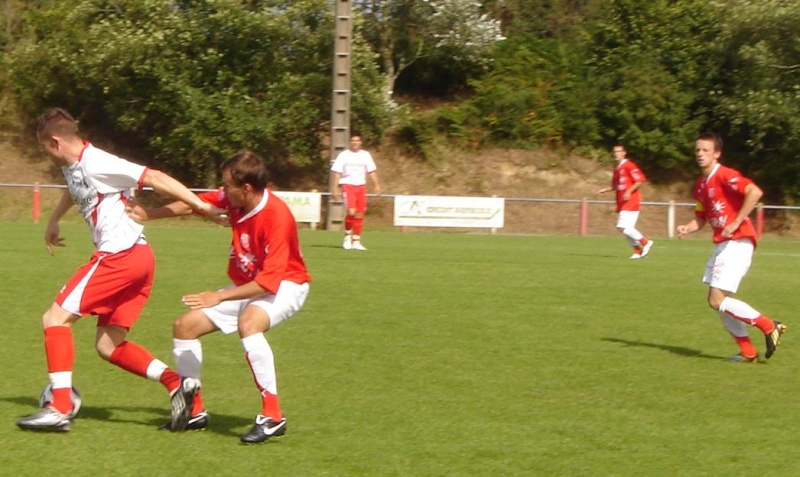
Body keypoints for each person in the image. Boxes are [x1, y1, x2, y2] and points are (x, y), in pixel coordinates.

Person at [17, 107, 225, 432]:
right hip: (139, 259)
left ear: (55, 141)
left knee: (54, 319)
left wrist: (201, 206)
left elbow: (154, 177)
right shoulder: (73, 165)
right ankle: (181, 390)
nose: (45, 154)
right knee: (108, 346)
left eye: (44, 147)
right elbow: (76, 190)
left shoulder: (98, 161)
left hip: (120, 256)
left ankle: (59, 407)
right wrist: (54, 220)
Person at [128, 149, 311, 444]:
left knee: (249, 323)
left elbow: (270, 280)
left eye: (227, 185)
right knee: (185, 327)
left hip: (287, 284)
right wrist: (151, 214)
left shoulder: (277, 217)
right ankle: (195, 412)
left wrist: (219, 297)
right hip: (249, 283)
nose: (222, 191)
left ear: (247, 189)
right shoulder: (236, 199)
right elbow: (196, 205)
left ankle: (273, 416)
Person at [677, 132, 786, 363]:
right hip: (723, 244)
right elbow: (701, 217)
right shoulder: (700, 185)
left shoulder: (725, 174)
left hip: (738, 242)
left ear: (717, 154)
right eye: (697, 150)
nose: (700, 154)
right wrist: (687, 227)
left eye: (705, 150)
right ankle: (747, 352)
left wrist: (736, 221)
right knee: (718, 303)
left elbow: (754, 192)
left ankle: (770, 326)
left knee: (716, 300)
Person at [597, 143, 654, 259]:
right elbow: (616, 185)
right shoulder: (617, 168)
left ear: (624, 153)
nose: (616, 154)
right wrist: (606, 190)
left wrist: (628, 192)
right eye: (614, 152)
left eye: (618, 152)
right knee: (625, 228)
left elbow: (640, 180)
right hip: (622, 203)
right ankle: (638, 251)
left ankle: (646, 242)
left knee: (623, 227)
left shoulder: (629, 165)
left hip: (631, 201)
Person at [331, 133, 382, 250]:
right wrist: (335, 188)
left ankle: (356, 240)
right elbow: (337, 172)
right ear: (350, 142)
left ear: (361, 142)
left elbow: (371, 170)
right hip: (348, 185)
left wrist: (377, 185)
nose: (355, 143)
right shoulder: (343, 155)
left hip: (361, 186)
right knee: (351, 211)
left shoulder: (366, 155)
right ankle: (347, 236)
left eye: (357, 140)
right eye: (353, 140)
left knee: (359, 213)